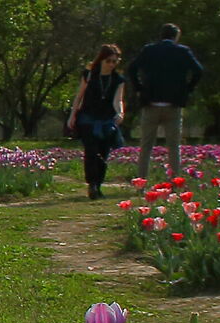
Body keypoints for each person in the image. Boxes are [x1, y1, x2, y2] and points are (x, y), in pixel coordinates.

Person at [127, 22, 205, 180]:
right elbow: (198, 70)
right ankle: (175, 182)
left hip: (151, 103)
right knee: (174, 147)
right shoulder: (182, 51)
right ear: (176, 36)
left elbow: (132, 68)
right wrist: (187, 88)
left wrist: (139, 87)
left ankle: (141, 181)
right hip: (173, 104)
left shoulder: (149, 50)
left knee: (146, 146)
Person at [64, 43, 127, 199]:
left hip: (106, 120)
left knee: (103, 153)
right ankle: (92, 184)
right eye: (108, 61)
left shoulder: (118, 79)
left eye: (114, 61)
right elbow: (79, 96)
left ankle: (98, 184)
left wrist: (120, 112)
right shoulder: (90, 75)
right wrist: (72, 116)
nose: (111, 64)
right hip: (87, 118)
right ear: (101, 60)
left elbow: (118, 100)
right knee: (91, 152)